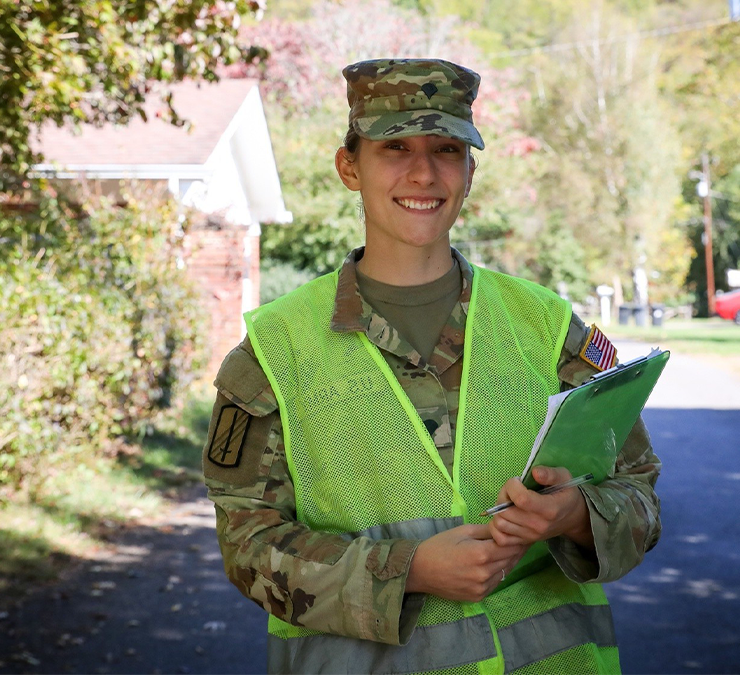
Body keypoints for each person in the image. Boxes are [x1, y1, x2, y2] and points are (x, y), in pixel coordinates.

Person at [203, 58, 662, 674]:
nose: (424, 172)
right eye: (394, 147)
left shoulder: (546, 326)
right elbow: (248, 547)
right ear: (349, 167)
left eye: (447, 148)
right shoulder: (274, 350)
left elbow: (638, 493)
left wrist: (577, 516)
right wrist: (410, 569)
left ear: (471, 171)